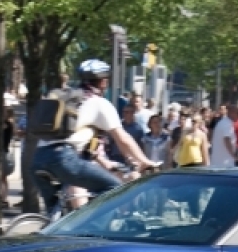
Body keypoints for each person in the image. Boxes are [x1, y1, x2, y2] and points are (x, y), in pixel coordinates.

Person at [32, 59, 160, 214]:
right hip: (63, 158)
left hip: (38, 158)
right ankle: (94, 228)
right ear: (104, 82)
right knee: (116, 190)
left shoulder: (69, 99)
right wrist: (146, 162)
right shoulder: (99, 103)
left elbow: (87, 145)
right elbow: (123, 139)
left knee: (56, 216)